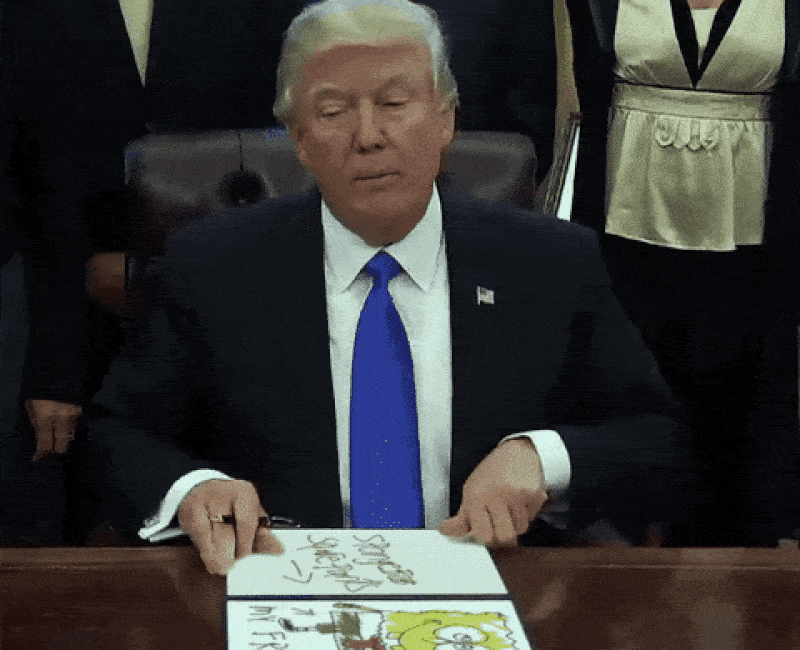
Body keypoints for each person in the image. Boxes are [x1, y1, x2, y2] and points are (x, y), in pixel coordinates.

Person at [77, 0, 703, 574]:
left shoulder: (549, 263)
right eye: (332, 111)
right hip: (286, 583)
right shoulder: (214, 266)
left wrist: (542, 456)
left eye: (395, 102)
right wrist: (193, 489)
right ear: (299, 140)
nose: (369, 135)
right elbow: (115, 434)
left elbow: (659, 438)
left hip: (491, 583)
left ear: (446, 119)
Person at [0, 0, 303, 543]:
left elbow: (289, 146)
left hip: (227, 298)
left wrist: (144, 274)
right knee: (57, 517)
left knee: (232, 510)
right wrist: (55, 356)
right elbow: (37, 174)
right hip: (61, 303)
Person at [547, 0, 800, 546]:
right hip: (625, 237)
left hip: (752, 244)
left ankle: (727, 558)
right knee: (629, 389)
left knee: (732, 402)